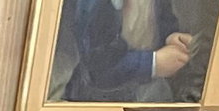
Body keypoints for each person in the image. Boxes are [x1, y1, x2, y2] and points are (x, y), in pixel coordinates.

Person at [54, 0, 203, 104]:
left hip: (152, 90)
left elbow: (164, 21)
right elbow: (96, 66)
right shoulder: (93, 4)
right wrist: (152, 63)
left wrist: (170, 38)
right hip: (103, 96)